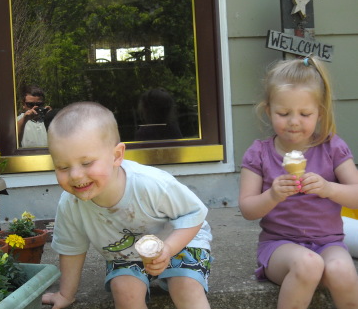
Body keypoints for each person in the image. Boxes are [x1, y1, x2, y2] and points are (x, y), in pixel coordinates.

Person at [42, 102, 212, 309]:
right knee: (124, 292)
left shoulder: (151, 184)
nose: (76, 175)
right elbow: (71, 249)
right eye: (63, 166)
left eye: (86, 163)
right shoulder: (71, 203)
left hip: (181, 242)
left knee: (186, 288)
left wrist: (168, 248)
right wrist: (65, 294)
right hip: (124, 255)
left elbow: (194, 214)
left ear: (116, 156)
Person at [239, 55, 358, 309]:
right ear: (269, 110)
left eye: (305, 113)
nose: (294, 121)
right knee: (308, 264)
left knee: (343, 271)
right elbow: (248, 209)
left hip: (329, 243)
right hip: (279, 247)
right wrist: (272, 195)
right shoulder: (259, 153)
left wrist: (329, 188)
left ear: (319, 113)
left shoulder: (331, 147)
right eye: (283, 113)